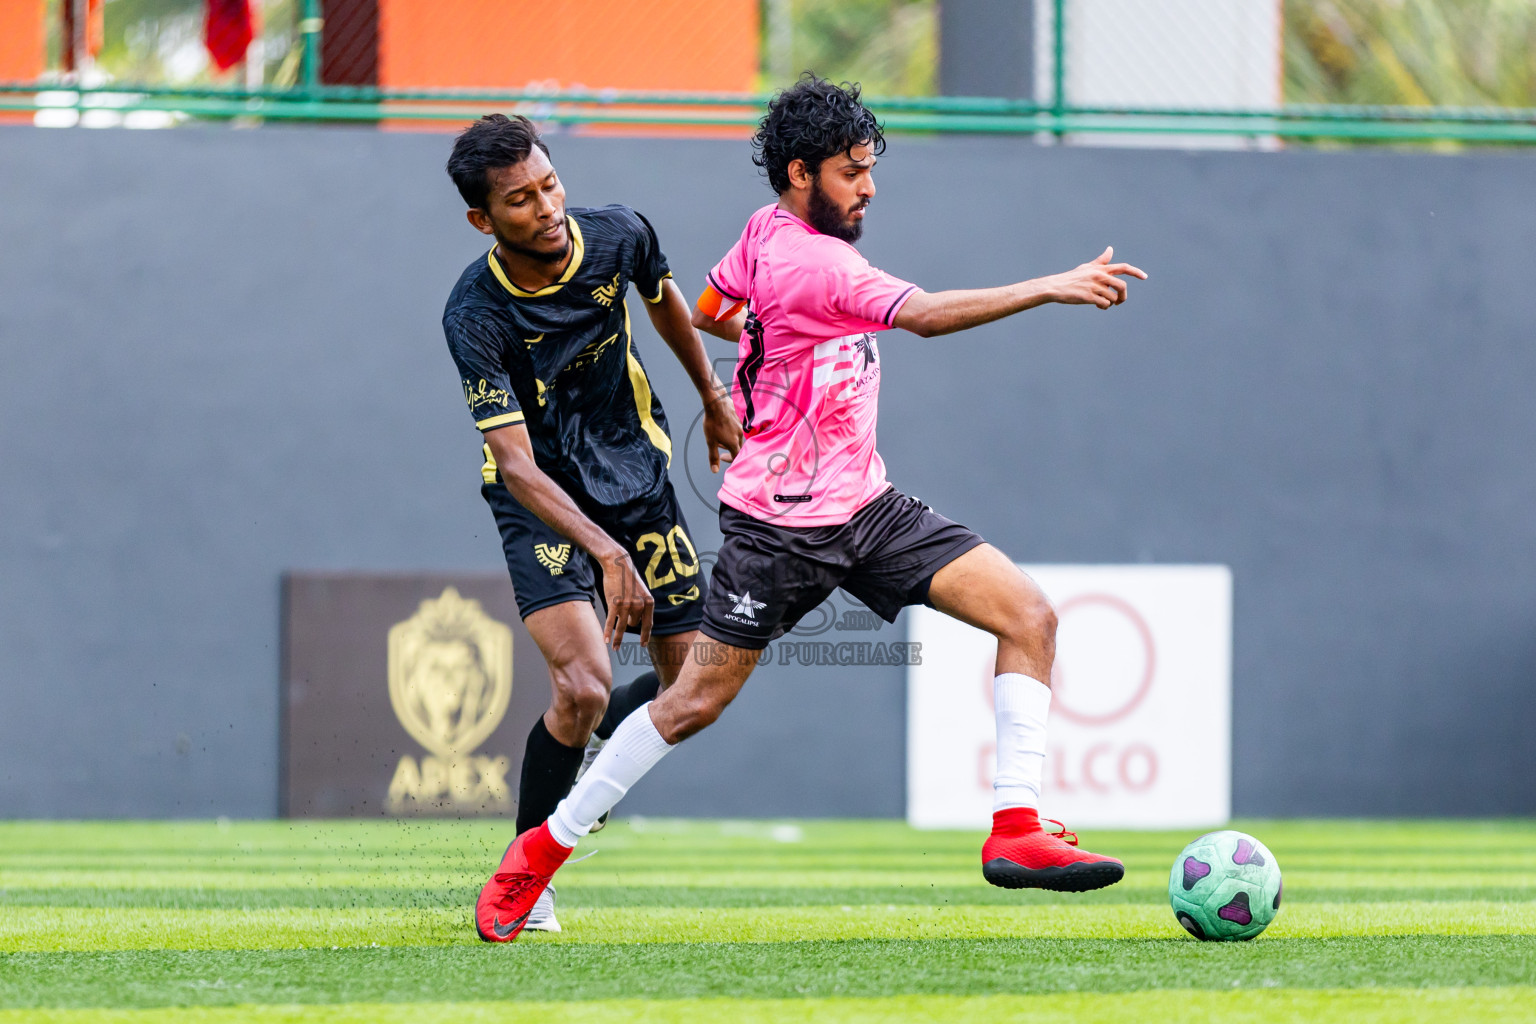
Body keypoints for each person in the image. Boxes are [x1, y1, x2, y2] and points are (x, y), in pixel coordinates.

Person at [472, 77, 1147, 942]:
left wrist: (765, 342)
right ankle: (538, 856)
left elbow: (714, 308)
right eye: (851, 172)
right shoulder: (817, 262)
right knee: (690, 705)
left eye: (869, 169)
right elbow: (929, 318)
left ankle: (1016, 830)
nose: (868, 187)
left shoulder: (763, 235)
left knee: (1029, 616)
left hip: (866, 505)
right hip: (780, 529)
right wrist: (1051, 285)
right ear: (801, 173)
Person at [442, 114, 741, 940]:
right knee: (582, 688)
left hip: (639, 482)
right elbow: (515, 463)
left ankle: (603, 750)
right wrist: (605, 551)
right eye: (519, 200)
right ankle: (529, 879)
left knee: (695, 691)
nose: (546, 207)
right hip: (542, 498)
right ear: (483, 220)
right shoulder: (474, 313)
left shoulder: (617, 236)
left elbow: (670, 304)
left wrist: (713, 399)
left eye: (549, 184)